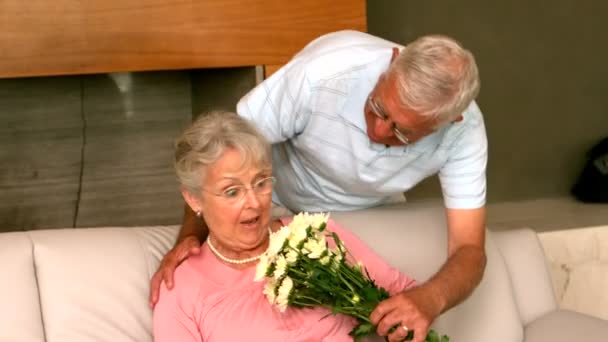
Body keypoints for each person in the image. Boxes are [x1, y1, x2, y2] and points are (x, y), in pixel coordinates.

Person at [151, 30, 487, 342]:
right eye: (376, 108)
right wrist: (190, 236)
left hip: (352, 214)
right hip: (291, 198)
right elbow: (221, 159)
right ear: (392, 62)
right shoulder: (319, 75)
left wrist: (429, 300)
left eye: (403, 133)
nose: (379, 132)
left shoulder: (322, 239)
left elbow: (467, 251)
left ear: (449, 122)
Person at [153, 111, 417, 342]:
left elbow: (407, 296)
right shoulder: (182, 288)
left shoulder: (314, 237)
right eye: (232, 192)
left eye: (261, 182)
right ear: (194, 199)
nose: (254, 203)